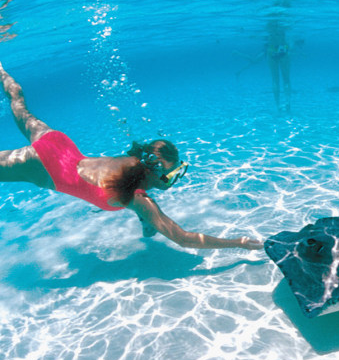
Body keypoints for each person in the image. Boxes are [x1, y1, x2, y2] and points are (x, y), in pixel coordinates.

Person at [0, 62, 263, 251]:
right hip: (45, 165)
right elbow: (182, 238)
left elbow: (143, 213)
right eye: (170, 175)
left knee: (19, 102)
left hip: (59, 143)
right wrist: (238, 243)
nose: (171, 182)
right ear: (152, 169)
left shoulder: (133, 170)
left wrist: (147, 225)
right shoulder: (139, 198)